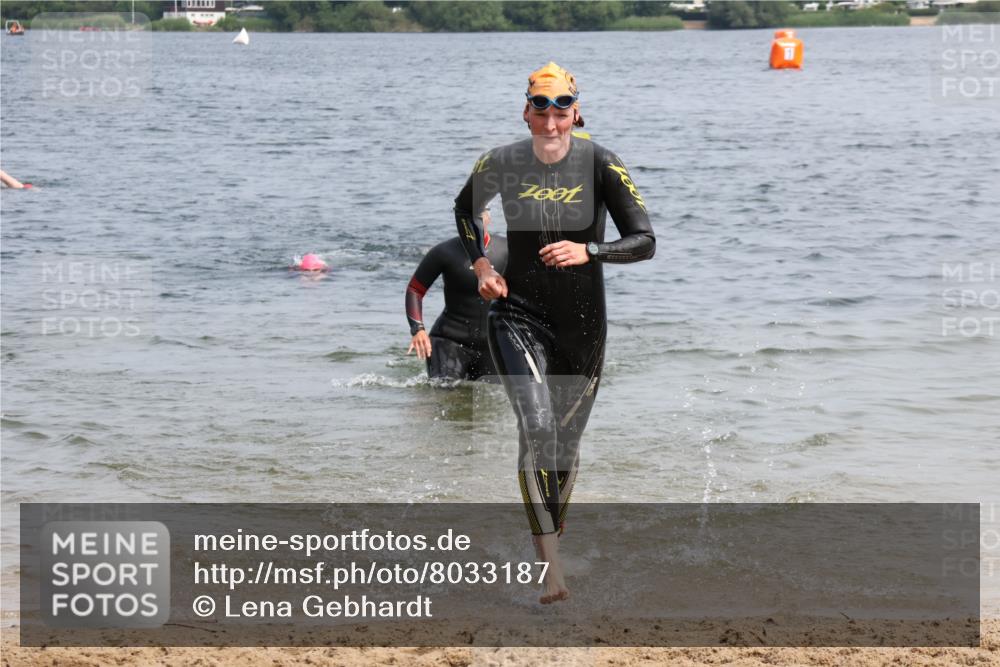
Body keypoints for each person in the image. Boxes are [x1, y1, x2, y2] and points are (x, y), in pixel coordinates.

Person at [453, 62, 655, 603]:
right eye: (539, 106)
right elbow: (465, 209)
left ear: (576, 111)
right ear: (525, 111)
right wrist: (481, 267)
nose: (550, 117)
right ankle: (551, 567)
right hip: (516, 314)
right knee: (537, 429)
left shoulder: (601, 164)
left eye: (560, 106)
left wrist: (589, 249)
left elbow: (644, 241)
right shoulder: (502, 161)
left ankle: (551, 526)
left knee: (564, 445)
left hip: (584, 326)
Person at [406, 209, 508, 382]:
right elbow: (415, 290)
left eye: (479, 215)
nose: (474, 221)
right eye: (468, 217)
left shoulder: (507, 249)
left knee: (492, 397)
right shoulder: (444, 252)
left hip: (492, 344)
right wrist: (418, 330)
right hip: (449, 340)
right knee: (445, 391)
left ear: (488, 218)